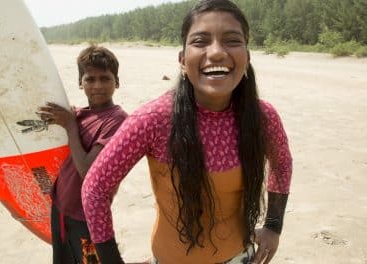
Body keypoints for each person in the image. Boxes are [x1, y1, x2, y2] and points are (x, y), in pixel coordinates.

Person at [81, 1, 292, 263]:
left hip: (242, 256)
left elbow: (282, 164)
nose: (216, 52)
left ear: (247, 57)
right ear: (182, 60)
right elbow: (95, 188)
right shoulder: (154, 120)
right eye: (201, 41)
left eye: (232, 40)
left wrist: (273, 225)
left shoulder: (262, 117)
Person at [38, 45, 128, 264]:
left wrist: (70, 126)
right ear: (80, 83)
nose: (97, 86)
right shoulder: (78, 115)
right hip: (60, 208)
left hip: (87, 217)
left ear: (116, 82)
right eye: (90, 79)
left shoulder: (117, 120)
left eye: (105, 79)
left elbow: (88, 171)